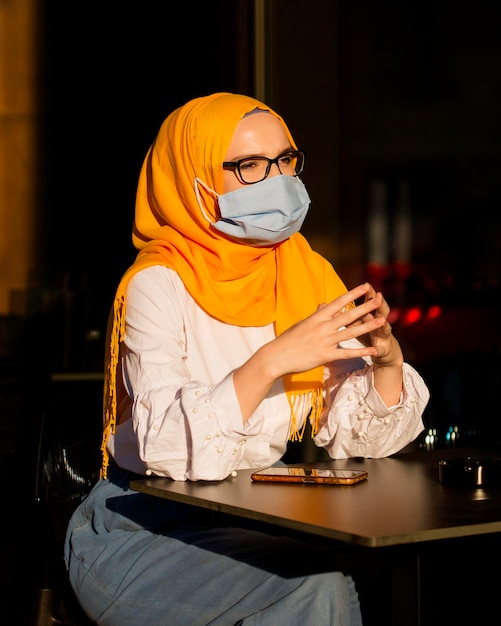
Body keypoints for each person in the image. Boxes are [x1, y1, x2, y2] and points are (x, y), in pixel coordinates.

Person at [64, 92, 429, 625]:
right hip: (142, 527)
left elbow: (358, 442)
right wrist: (272, 360)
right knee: (313, 586)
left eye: (284, 160)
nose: (277, 180)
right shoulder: (158, 283)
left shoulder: (303, 273)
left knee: (382, 572)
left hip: (260, 517)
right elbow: (163, 447)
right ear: (194, 182)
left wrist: (388, 363)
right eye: (249, 166)